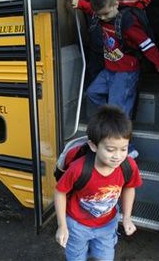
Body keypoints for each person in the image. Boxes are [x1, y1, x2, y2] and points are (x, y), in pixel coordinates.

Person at [55, 105, 142, 261]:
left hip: (107, 225)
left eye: (124, 149)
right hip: (77, 225)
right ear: (93, 146)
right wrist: (62, 226)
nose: (118, 156)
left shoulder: (128, 166)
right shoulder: (79, 169)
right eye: (110, 149)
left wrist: (127, 217)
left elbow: (130, 187)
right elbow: (60, 192)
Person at [77, 0, 159, 118]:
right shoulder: (102, 15)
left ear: (116, 5)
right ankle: (110, 120)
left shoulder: (127, 22)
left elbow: (146, 44)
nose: (103, 18)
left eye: (106, 14)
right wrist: (80, 3)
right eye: (99, 15)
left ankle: (119, 132)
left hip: (126, 72)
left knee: (118, 107)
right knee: (93, 93)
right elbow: (91, 10)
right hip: (109, 69)